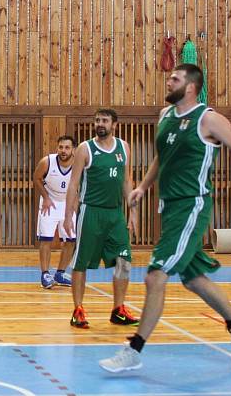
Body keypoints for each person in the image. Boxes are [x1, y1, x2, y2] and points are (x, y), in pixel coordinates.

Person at [99, 64, 231, 373]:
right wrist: (142, 186)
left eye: (175, 79)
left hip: (192, 206)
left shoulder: (208, 119)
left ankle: (134, 350)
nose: (169, 81)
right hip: (169, 207)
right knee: (193, 279)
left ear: (190, 87)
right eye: (170, 78)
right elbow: (161, 158)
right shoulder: (165, 117)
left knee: (155, 275)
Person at [63, 109, 139, 329]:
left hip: (115, 213)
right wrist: (69, 215)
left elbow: (127, 181)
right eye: (97, 120)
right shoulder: (85, 148)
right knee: (81, 262)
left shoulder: (124, 147)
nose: (100, 124)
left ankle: (119, 309)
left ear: (114, 124)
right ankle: (77, 310)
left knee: (124, 260)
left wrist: (132, 211)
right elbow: (74, 184)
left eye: (104, 120)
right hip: (90, 212)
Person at [34, 136, 77, 289]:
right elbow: (37, 178)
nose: (63, 150)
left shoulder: (79, 164)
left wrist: (74, 206)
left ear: (73, 150)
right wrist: (45, 197)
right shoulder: (47, 161)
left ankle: (60, 273)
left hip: (68, 203)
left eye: (67, 147)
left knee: (70, 240)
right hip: (50, 202)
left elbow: (80, 186)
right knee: (46, 239)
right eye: (60, 147)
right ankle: (45, 273)